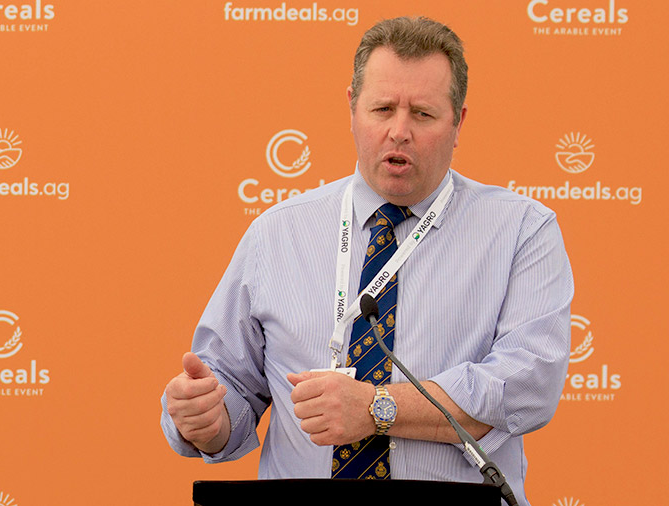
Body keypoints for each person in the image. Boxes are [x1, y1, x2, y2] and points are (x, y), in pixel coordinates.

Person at [161, 16, 572, 506]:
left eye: (423, 114)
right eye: (382, 109)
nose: (399, 132)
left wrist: (378, 407)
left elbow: (527, 385)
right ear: (352, 107)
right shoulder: (278, 232)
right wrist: (206, 419)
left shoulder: (522, 230)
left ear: (459, 122)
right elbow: (227, 385)